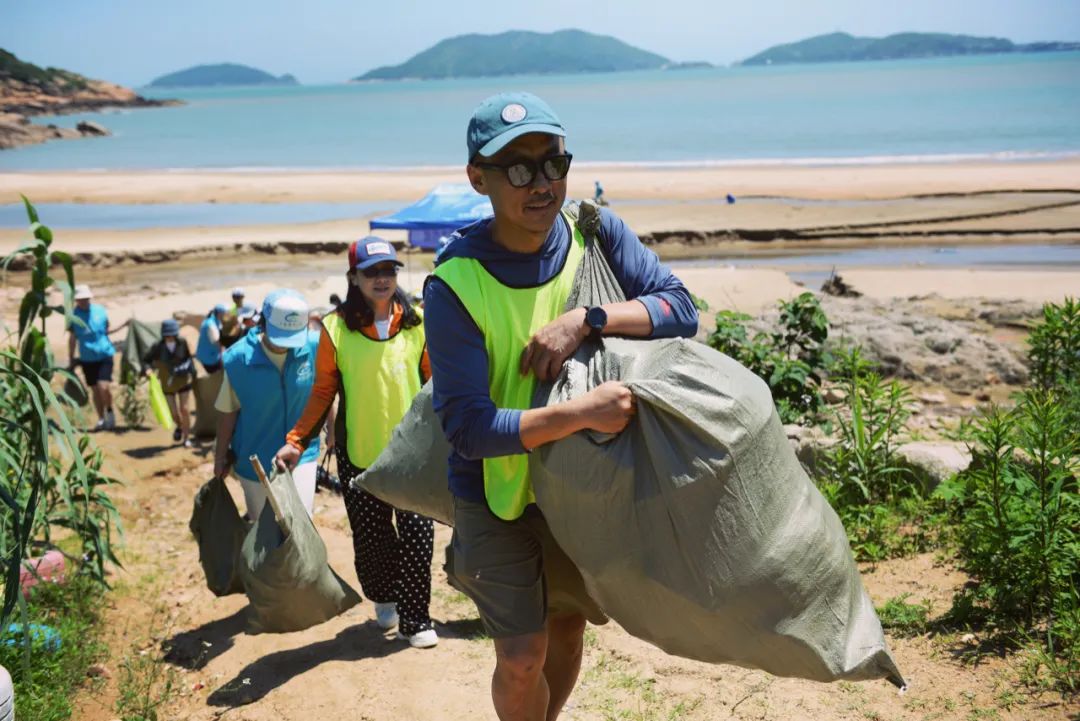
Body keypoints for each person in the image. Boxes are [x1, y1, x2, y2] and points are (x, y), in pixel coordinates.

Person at [423, 92, 699, 721]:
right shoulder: (454, 285)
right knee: (521, 655)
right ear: (478, 179)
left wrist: (587, 318)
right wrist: (579, 414)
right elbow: (467, 429)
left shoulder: (595, 233)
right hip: (494, 489)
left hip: (582, 485)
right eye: (518, 169)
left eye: (553, 163)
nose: (542, 183)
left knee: (568, 630)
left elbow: (681, 308)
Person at [274, 238, 437, 649]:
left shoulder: (417, 323)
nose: (382, 279)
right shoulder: (335, 328)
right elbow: (323, 391)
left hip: (412, 457)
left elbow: (436, 384)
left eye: (388, 270)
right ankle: (385, 598)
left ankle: (416, 619)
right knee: (372, 539)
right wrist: (297, 441)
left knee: (419, 535)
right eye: (371, 272)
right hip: (359, 455)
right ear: (354, 278)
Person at [214, 289, 320, 521]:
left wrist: (332, 431)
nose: (284, 346)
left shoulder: (313, 346)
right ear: (263, 323)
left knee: (302, 523)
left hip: (302, 452)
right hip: (255, 458)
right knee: (263, 530)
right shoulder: (239, 359)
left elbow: (322, 392)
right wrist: (220, 456)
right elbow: (228, 413)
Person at [67, 284, 125, 430]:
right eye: (80, 299)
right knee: (94, 390)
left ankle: (110, 412)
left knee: (103, 387)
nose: (83, 301)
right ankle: (101, 418)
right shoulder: (73, 316)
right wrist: (71, 358)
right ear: (76, 300)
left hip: (105, 353)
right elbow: (72, 338)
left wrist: (124, 325)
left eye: (85, 299)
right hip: (87, 358)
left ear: (89, 298)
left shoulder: (100, 311)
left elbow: (107, 330)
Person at [142, 318, 197, 447]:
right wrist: (148, 370)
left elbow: (190, 360)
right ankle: (179, 426)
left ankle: (186, 437)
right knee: (173, 412)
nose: (169, 337)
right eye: (167, 334)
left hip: (183, 380)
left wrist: (194, 375)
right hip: (167, 384)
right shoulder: (157, 347)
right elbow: (146, 360)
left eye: (172, 334)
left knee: (185, 409)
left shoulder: (183, 343)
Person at [195, 303, 227, 374]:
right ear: (220, 314)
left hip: (204, 353)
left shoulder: (210, 319)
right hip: (209, 358)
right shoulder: (211, 325)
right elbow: (217, 342)